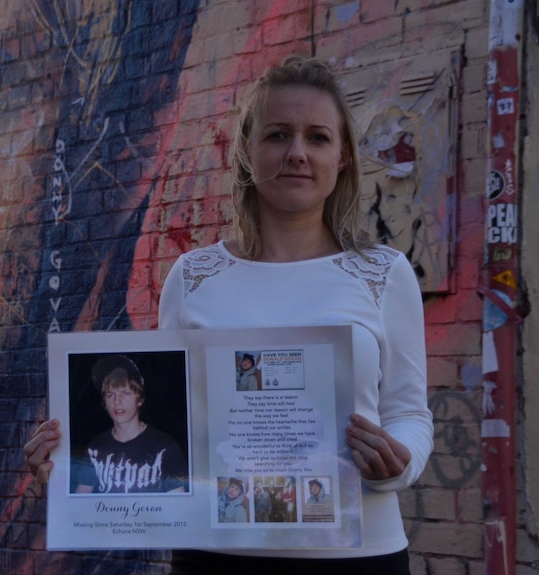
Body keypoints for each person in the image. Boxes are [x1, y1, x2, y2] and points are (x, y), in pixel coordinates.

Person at [26, 55, 433, 574]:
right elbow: (168, 424)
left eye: (318, 137)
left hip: (357, 555)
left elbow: (410, 413)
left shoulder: (383, 273)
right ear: (246, 150)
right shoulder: (193, 277)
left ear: (344, 157)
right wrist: (67, 463)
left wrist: (398, 465)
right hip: (212, 558)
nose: (297, 153)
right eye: (278, 135)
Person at [73, 354, 188, 494]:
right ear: (104, 403)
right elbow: (82, 495)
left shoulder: (165, 446)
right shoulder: (96, 447)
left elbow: (179, 503)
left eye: (125, 393)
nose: (117, 401)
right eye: (110, 395)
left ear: (139, 399)